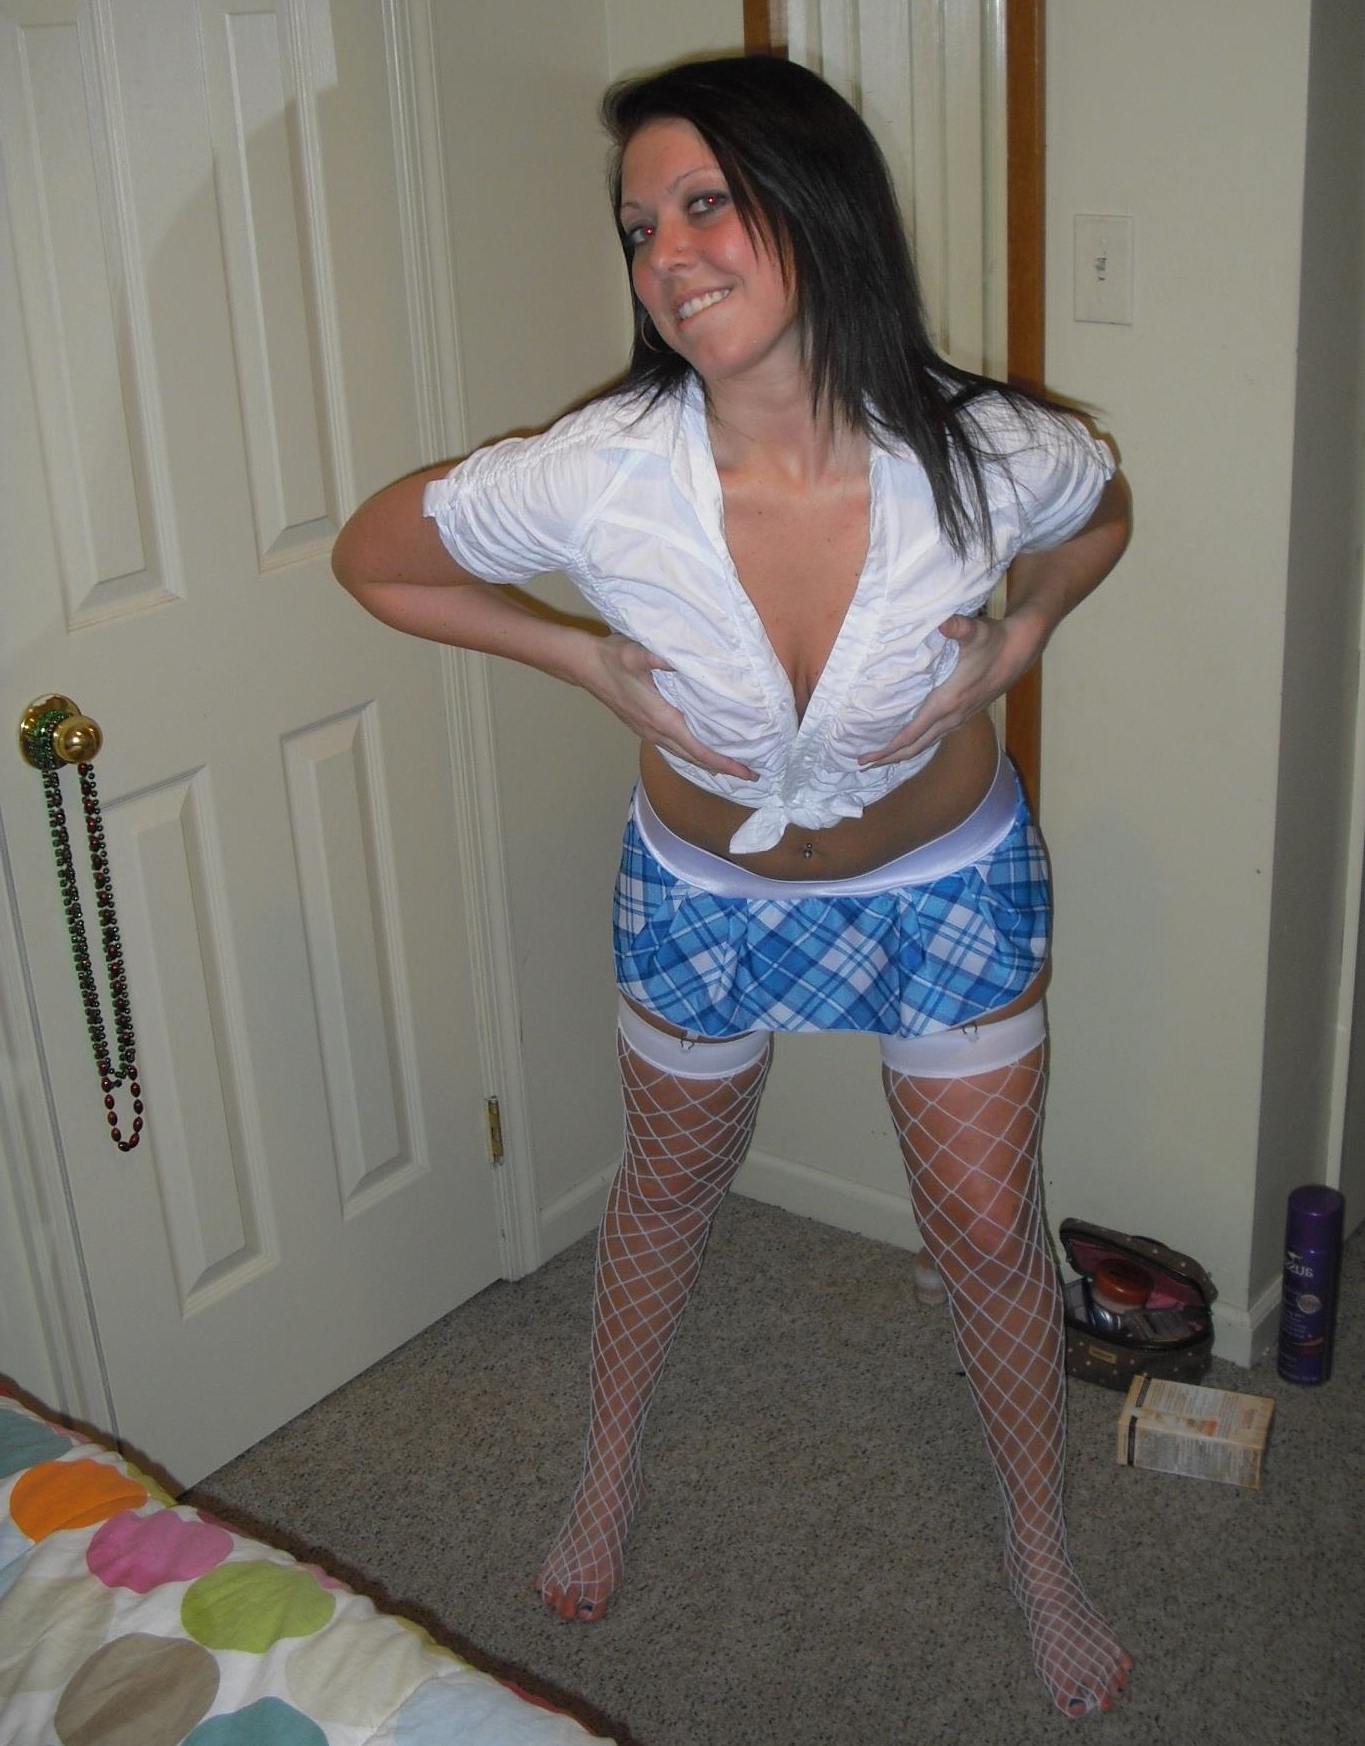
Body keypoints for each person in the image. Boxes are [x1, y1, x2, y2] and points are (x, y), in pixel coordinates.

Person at [332, 54, 1132, 1719]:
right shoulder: (597, 472)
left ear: (819, 205)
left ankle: (1040, 1548)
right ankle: (606, 1465)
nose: (666, 254)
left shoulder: (988, 449)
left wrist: (1027, 630)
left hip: (945, 883)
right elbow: (376, 558)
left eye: (705, 203)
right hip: (702, 890)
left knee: (990, 1231)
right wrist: (580, 658)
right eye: (638, 225)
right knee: (667, 1190)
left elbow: (1101, 508)